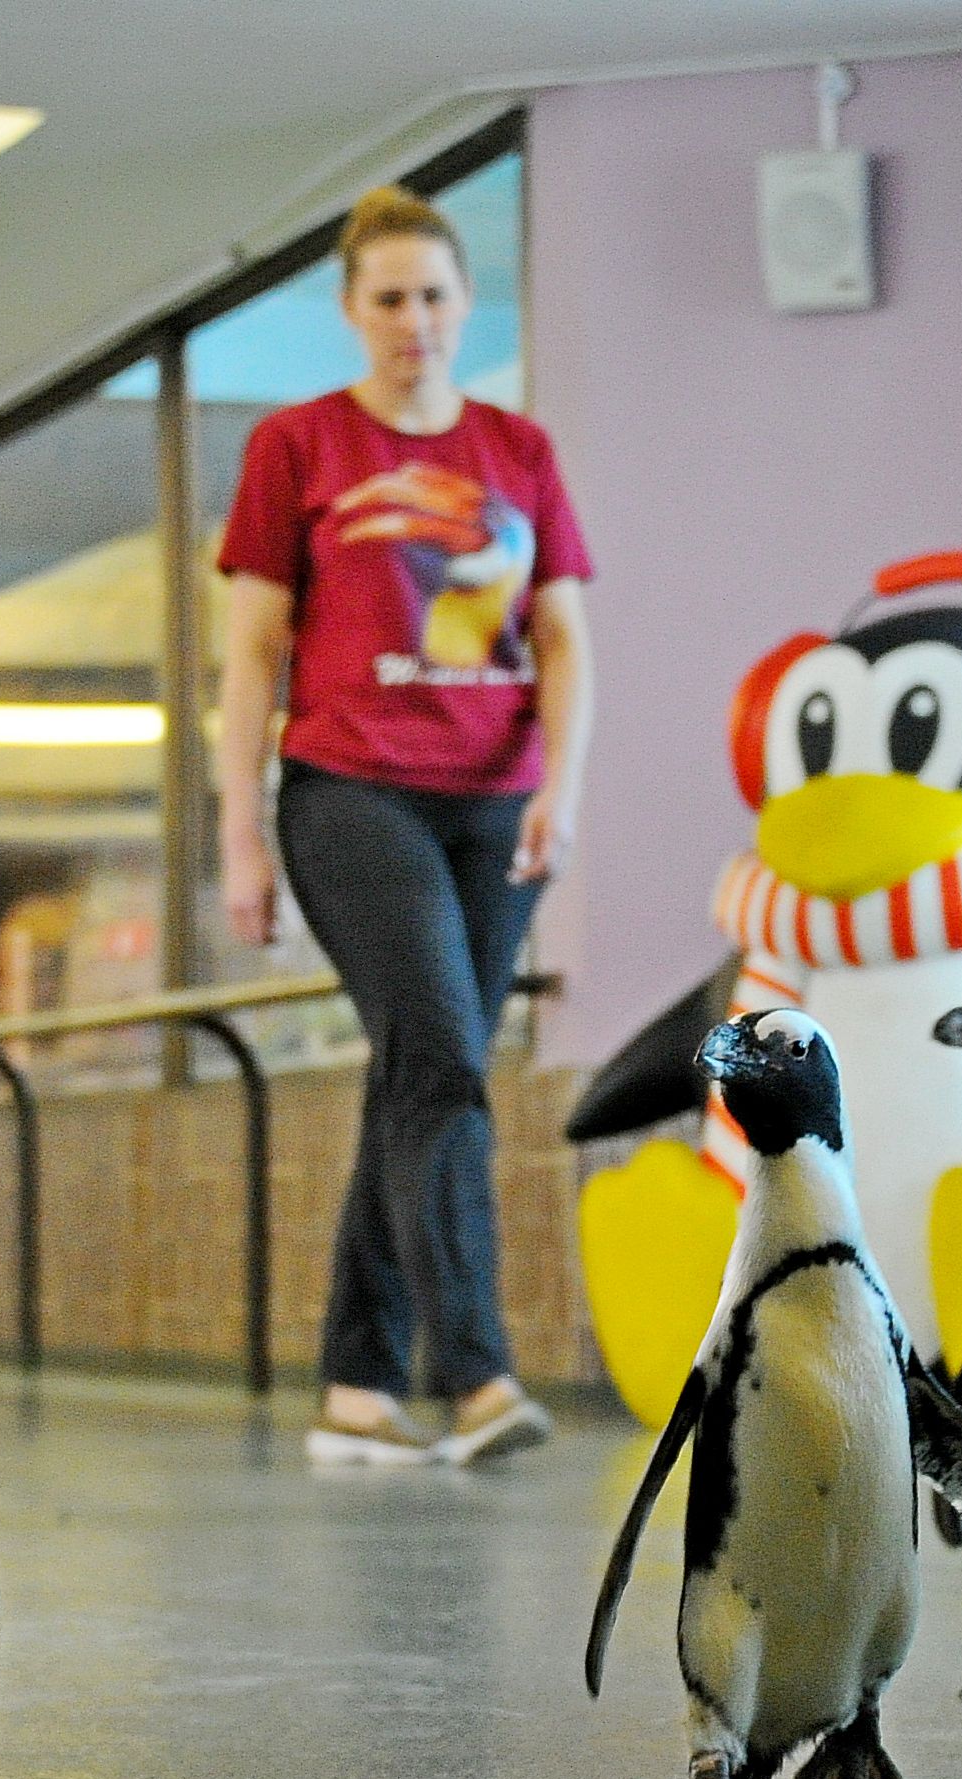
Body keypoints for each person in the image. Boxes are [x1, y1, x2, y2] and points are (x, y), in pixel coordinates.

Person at [215, 184, 596, 1469]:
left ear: (463, 303)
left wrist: (564, 782)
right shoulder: (299, 447)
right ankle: (475, 1370)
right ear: (349, 310)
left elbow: (561, 636)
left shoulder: (518, 451)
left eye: (433, 296)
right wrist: (238, 838)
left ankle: (357, 1382)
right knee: (439, 1052)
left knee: (414, 1072)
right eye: (387, 299)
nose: (413, 321)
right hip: (348, 788)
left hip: (497, 802)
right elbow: (251, 654)